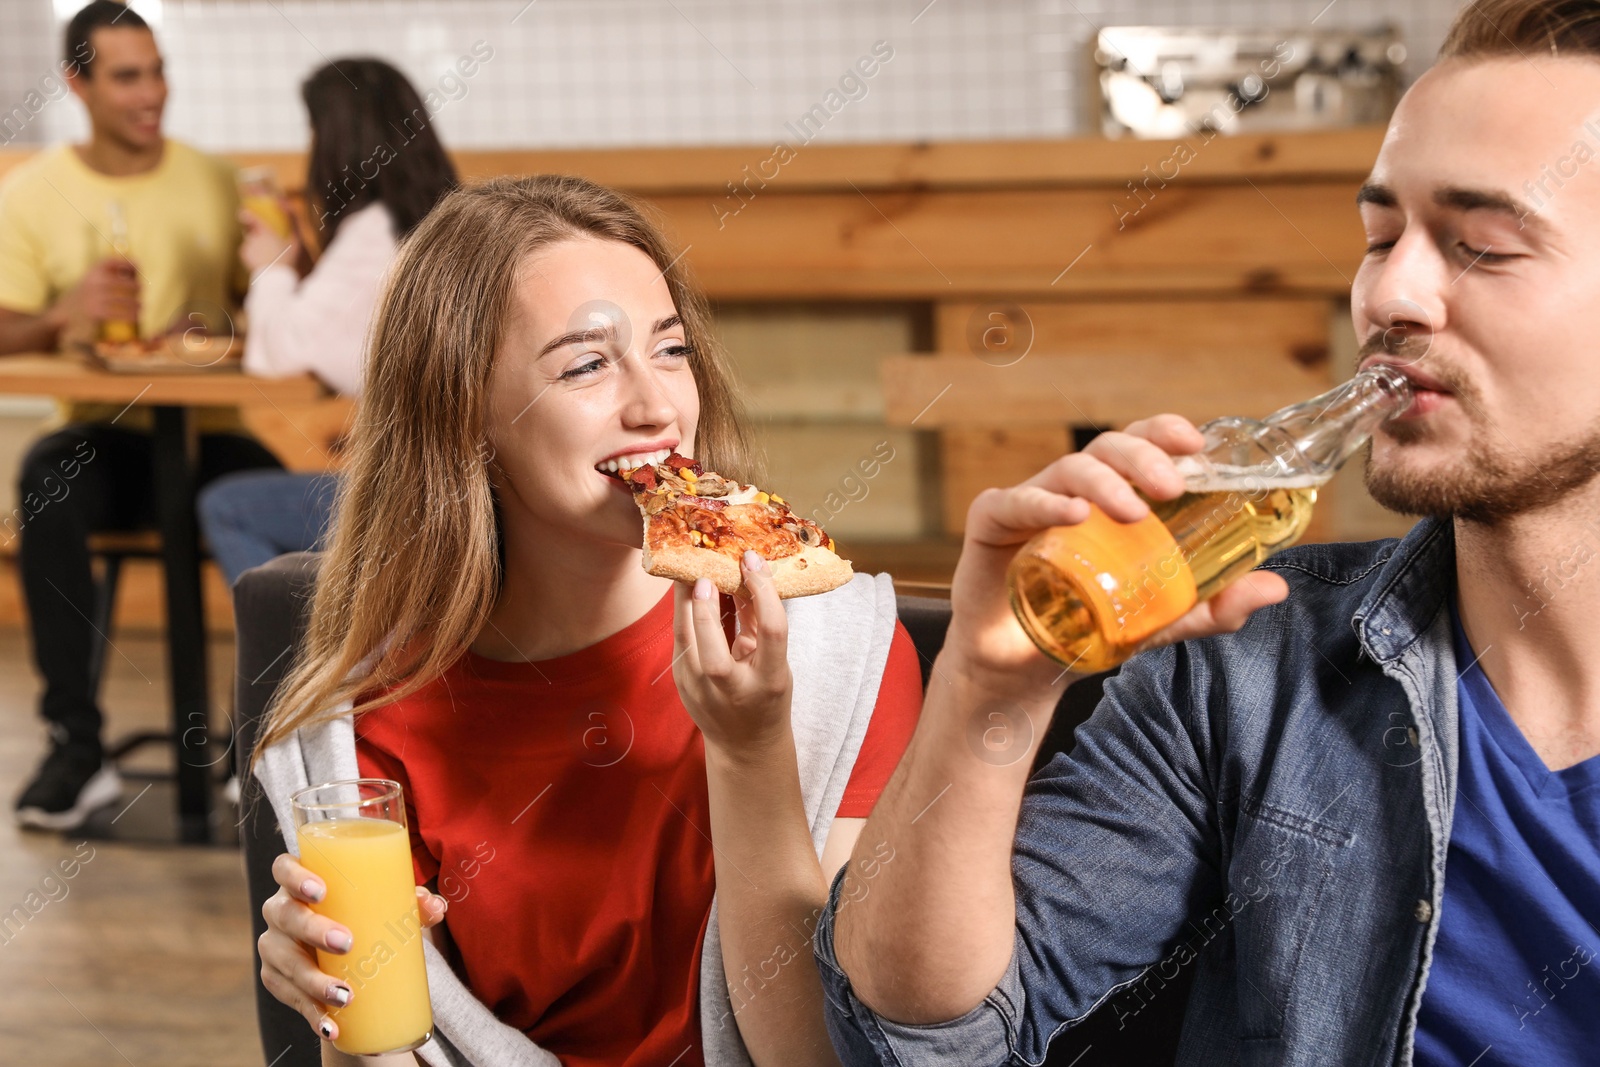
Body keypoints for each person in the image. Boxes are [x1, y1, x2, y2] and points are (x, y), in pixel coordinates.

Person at [816, 1, 1600, 1064]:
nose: (1389, 292)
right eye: (1379, 237)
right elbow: (918, 1034)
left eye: (1482, 246)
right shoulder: (1248, 666)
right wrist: (986, 696)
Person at [249, 175, 925, 1066]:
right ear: (465, 422)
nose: (657, 407)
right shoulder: (371, 725)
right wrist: (344, 1022)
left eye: (672, 350)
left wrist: (752, 747)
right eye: (586, 364)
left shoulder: (839, 651)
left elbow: (823, 1052)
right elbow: (409, 1048)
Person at [0, 1, 280, 831]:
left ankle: (264, 747)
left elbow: (269, 316)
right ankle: (75, 747)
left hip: (210, 437)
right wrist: (60, 317)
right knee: (44, 484)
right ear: (76, 83)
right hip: (104, 439)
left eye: (156, 70)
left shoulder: (216, 180)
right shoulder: (31, 194)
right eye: (127, 75)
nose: (151, 91)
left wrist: (228, 319)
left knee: (291, 502)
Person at [199, 58, 459, 587]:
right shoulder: (439, 221)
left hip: (420, 504)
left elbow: (281, 357)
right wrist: (299, 262)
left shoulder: (372, 232)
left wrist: (270, 266)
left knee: (229, 506)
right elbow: (350, 335)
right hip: (460, 491)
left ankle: (308, 666)